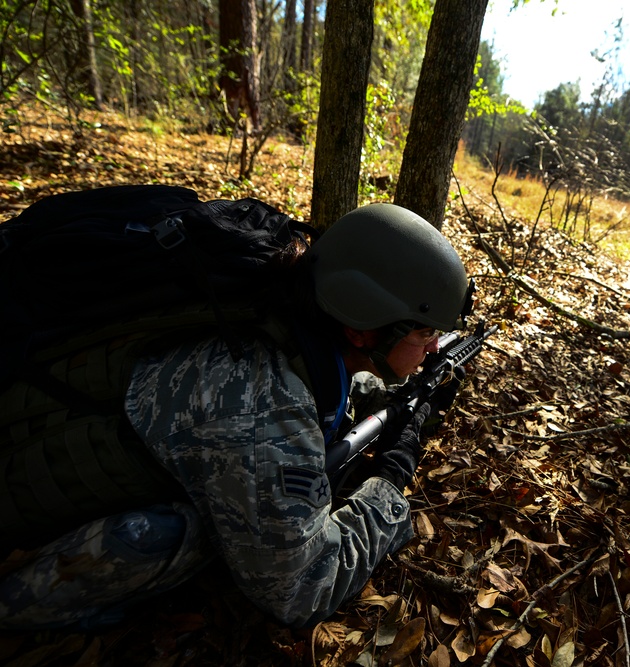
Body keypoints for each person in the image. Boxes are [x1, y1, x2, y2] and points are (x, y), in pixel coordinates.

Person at [0, 203, 473, 629]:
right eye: (426, 333)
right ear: (361, 328)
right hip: (17, 532)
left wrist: (387, 401)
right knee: (187, 534)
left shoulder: (274, 304)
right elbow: (302, 588)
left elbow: (325, 376)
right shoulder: (261, 410)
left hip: (45, 419)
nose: (432, 347)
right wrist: (389, 485)